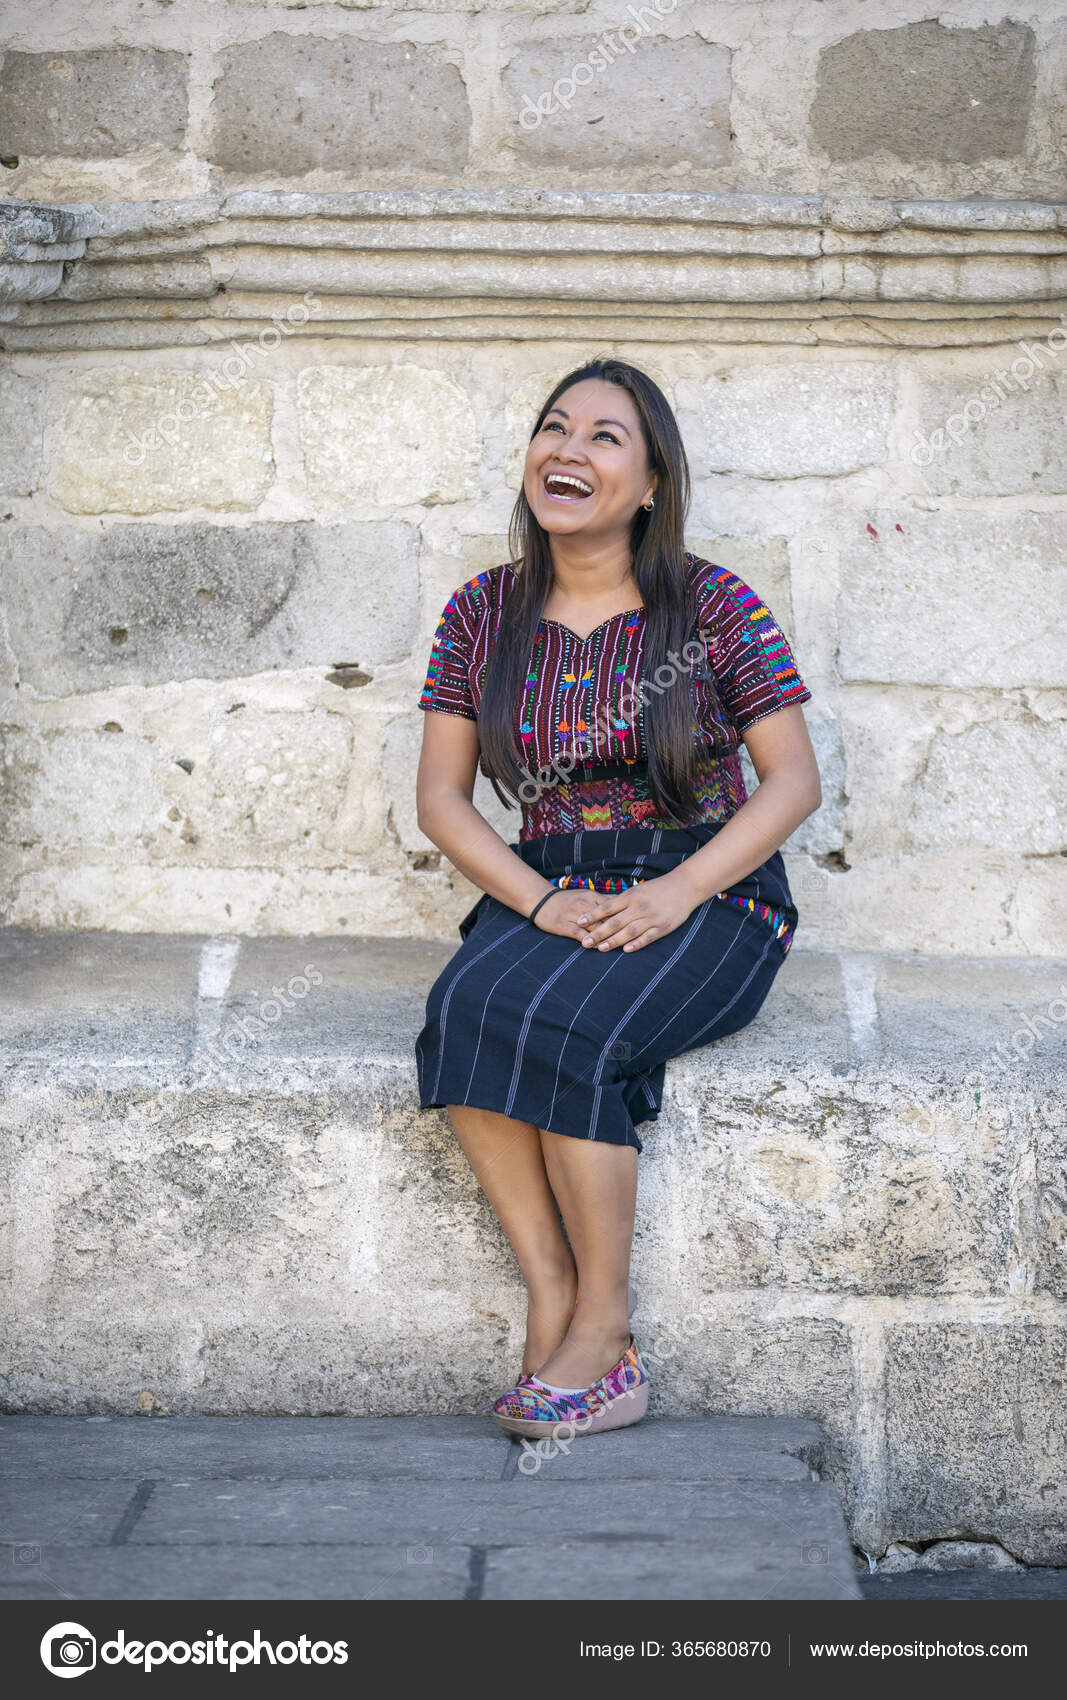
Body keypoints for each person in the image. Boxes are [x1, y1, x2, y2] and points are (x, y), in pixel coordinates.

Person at [414, 356, 822, 1441]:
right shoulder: (481, 611)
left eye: (604, 437)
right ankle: (552, 1292)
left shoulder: (713, 602)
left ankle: (605, 1333)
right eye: (555, 427)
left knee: (573, 1028)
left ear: (648, 483)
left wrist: (679, 891)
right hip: (550, 883)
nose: (568, 449)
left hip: (708, 893)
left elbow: (792, 780)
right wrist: (542, 905)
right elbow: (443, 805)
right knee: (461, 1011)